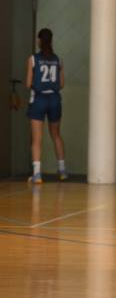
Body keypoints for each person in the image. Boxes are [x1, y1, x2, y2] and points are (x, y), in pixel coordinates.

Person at [25, 28, 66, 184]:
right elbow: (61, 84)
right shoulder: (59, 60)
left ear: (39, 41)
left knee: (37, 138)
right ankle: (62, 170)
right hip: (54, 99)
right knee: (56, 134)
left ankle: (37, 174)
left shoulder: (33, 59)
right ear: (51, 41)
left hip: (39, 99)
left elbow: (28, 83)